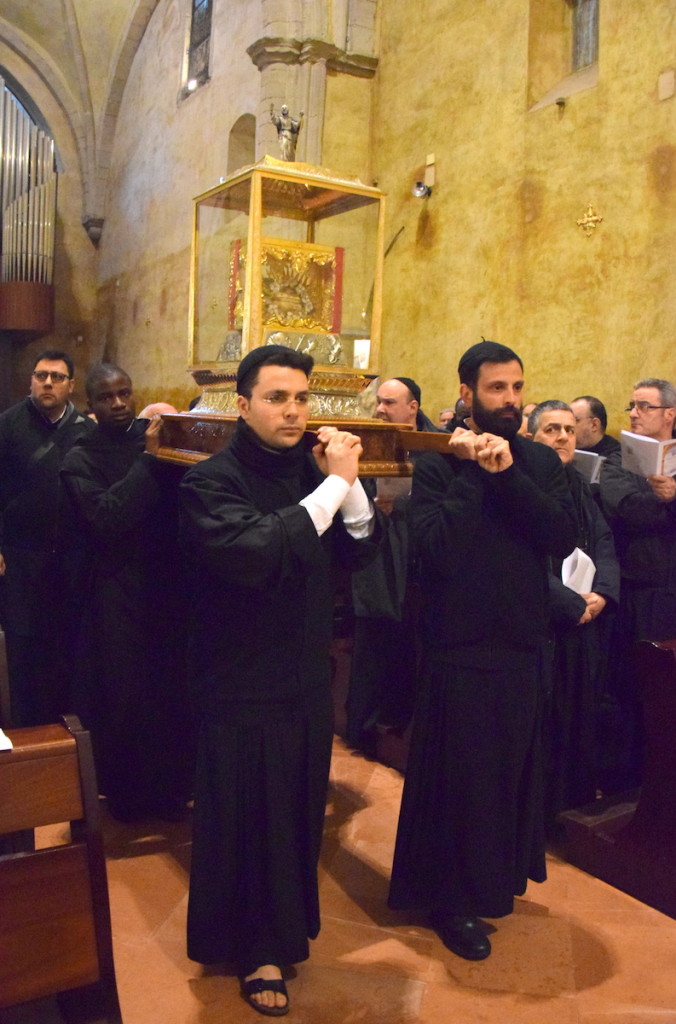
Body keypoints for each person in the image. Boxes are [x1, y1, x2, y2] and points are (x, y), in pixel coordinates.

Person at [179, 344, 380, 1017]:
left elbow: (359, 548)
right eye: (277, 398)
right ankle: (252, 949)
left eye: (302, 398)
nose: (294, 412)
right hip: (240, 681)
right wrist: (333, 484)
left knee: (293, 816)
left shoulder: (315, 469)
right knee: (246, 818)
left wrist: (348, 488)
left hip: (301, 678)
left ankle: (282, 934)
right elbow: (256, 551)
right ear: (243, 405)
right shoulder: (212, 481)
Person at [388, 340, 577, 961]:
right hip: (459, 646)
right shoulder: (440, 460)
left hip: (521, 643)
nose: (511, 401)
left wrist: (509, 475)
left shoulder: (538, 461)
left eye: (517, 388)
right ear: (467, 394)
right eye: (497, 389)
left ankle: (494, 881)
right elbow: (436, 549)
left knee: (505, 775)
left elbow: (559, 535)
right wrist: (473, 471)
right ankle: (450, 897)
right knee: (460, 778)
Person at [59, 364, 192, 821]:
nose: (118, 404)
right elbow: (107, 519)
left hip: (165, 582)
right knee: (123, 694)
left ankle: (174, 788)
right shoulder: (80, 457)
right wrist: (150, 460)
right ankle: (128, 796)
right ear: (90, 406)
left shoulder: (151, 436)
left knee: (169, 685)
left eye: (124, 394)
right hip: (114, 589)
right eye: (106, 397)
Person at [528, 401, 619, 824]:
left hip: (582, 626)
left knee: (577, 717)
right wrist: (567, 604)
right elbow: (517, 560)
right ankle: (539, 814)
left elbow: (603, 542)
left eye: (568, 429)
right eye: (551, 429)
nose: (563, 436)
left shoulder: (581, 486)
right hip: (542, 626)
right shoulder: (524, 486)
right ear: (531, 438)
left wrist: (601, 594)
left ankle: (569, 806)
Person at [0, 349, 94, 725]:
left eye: (57, 376)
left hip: (71, 557)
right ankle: (25, 731)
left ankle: (64, 734)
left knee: (66, 643)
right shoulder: (7, 426)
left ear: (71, 385)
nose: (48, 383)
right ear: (31, 381)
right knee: (24, 645)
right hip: (21, 555)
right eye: (41, 376)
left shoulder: (86, 432)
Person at [598, 378, 676, 787]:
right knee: (638, 691)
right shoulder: (618, 461)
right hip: (639, 593)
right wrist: (667, 503)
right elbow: (627, 508)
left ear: (670, 413)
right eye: (631, 405)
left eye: (645, 406)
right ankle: (630, 779)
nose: (633, 412)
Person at [347, 377, 438, 756]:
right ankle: (363, 726)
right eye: (378, 403)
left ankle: (407, 722)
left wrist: (404, 504)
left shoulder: (437, 446)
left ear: (413, 407)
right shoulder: (366, 443)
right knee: (374, 645)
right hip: (380, 560)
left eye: (389, 402)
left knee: (415, 646)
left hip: (422, 560)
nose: (380, 409)